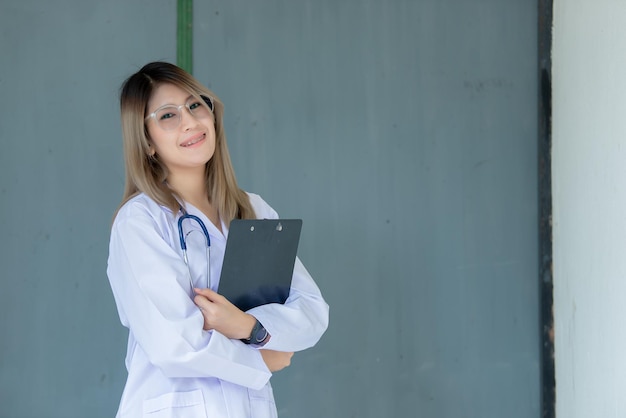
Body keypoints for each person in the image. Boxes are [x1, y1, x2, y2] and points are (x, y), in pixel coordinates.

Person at [107, 61, 329, 418]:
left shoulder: (252, 209)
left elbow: (313, 312)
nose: (190, 121)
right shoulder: (140, 221)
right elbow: (173, 345)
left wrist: (248, 328)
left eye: (195, 105)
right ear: (146, 142)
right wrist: (262, 358)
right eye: (167, 116)